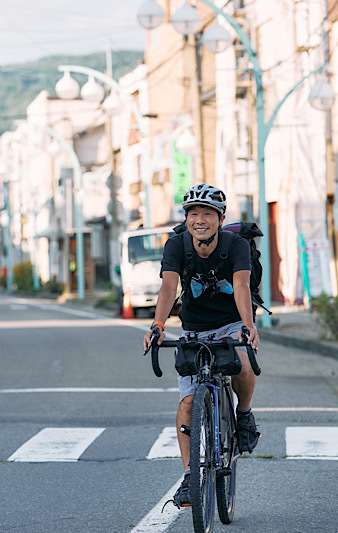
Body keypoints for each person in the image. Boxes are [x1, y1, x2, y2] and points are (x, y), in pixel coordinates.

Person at [142, 183, 261, 509]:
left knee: (244, 366)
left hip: (232, 323)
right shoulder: (177, 245)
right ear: (186, 217)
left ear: (220, 218)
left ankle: (244, 413)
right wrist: (159, 324)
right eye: (193, 213)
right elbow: (168, 286)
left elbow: (240, 286)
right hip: (194, 329)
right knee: (188, 403)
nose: (200, 219)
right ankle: (190, 477)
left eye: (207, 213)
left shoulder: (235, 245)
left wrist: (248, 326)